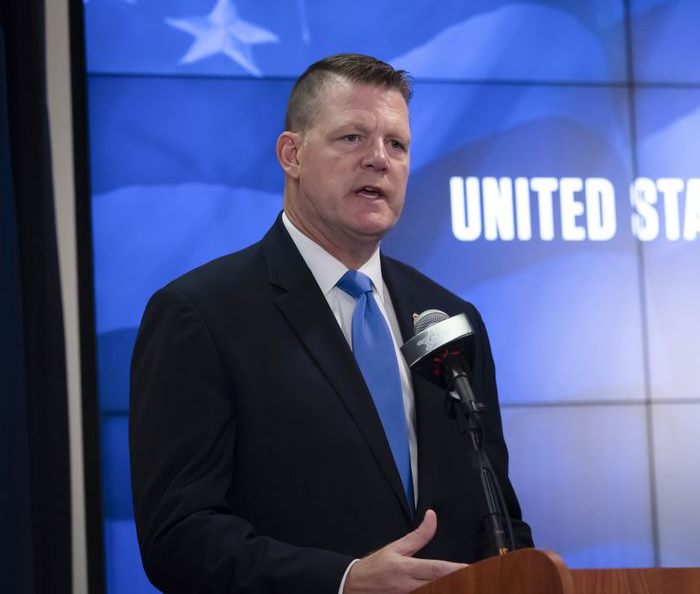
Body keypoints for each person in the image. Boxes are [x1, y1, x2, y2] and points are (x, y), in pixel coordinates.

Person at [129, 53, 533, 594]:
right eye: (352, 138)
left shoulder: (449, 320)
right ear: (291, 155)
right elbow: (177, 537)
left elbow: (497, 516)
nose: (379, 160)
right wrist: (342, 581)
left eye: (397, 144)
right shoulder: (200, 315)